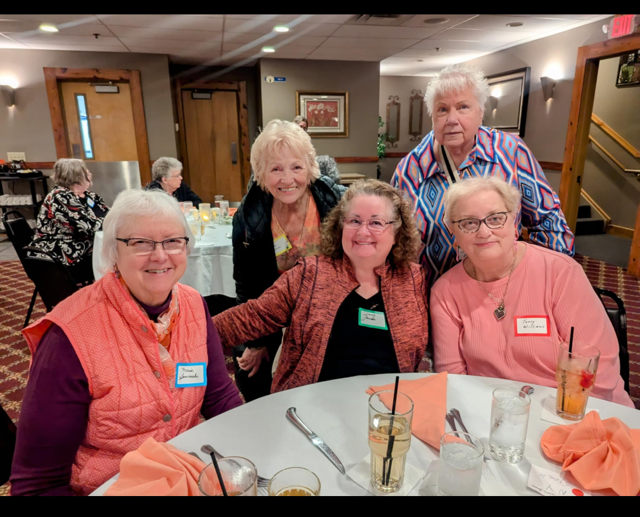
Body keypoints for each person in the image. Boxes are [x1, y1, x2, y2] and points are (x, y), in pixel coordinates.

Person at [10, 189, 242, 496]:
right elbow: (38, 484)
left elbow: (219, 395)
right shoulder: (68, 336)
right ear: (113, 253)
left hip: (187, 476)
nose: (160, 255)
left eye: (172, 241)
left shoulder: (194, 305)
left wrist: (249, 446)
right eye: (140, 242)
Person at [430, 176, 633, 408]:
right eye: (468, 223)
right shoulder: (445, 291)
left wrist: (555, 419)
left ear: (514, 220)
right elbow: (453, 378)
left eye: (495, 218)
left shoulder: (560, 272)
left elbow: (598, 370)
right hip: (494, 412)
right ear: (452, 230)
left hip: (574, 409)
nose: (484, 232)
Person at [214, 179, 429, 393]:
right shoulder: (310, 274)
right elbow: (252, 317)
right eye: (354, 221)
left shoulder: (412, 279)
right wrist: (198, 332)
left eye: (376, 223)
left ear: (397, 233)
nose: (363, 232)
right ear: (340, 226)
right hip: (312, 402)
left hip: (387, 404)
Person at [391, 63, 575, 287]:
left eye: (463, 107)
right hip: (433, 291)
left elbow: (549, 222)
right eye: (442, 109)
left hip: (503, 289)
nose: (451, 119)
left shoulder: (510, 151)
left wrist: (543, 280)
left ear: (480, 113)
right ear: (432, 117)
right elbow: (395, 240)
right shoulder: (409, 169)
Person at [230, 119, 343, 401]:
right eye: (276, 169)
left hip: (329, 311)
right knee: (250, 375)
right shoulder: (248, 217)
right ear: (261, 173)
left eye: (296, 167)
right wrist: (258, 342)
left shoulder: (337, 203)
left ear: (310, 167)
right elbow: (246, 284)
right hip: (275, 311)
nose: (287, 179)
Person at [29, 158, 109, 285]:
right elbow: (89, 225)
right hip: (61, 250)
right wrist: (115, 221)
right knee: (112, 255)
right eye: (86, 171)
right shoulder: (59, 197)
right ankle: (106, 289)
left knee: (115, 250)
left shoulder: (88, 195)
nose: (90, 174)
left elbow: (109, 213)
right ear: (75, 175)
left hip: (81, 243)